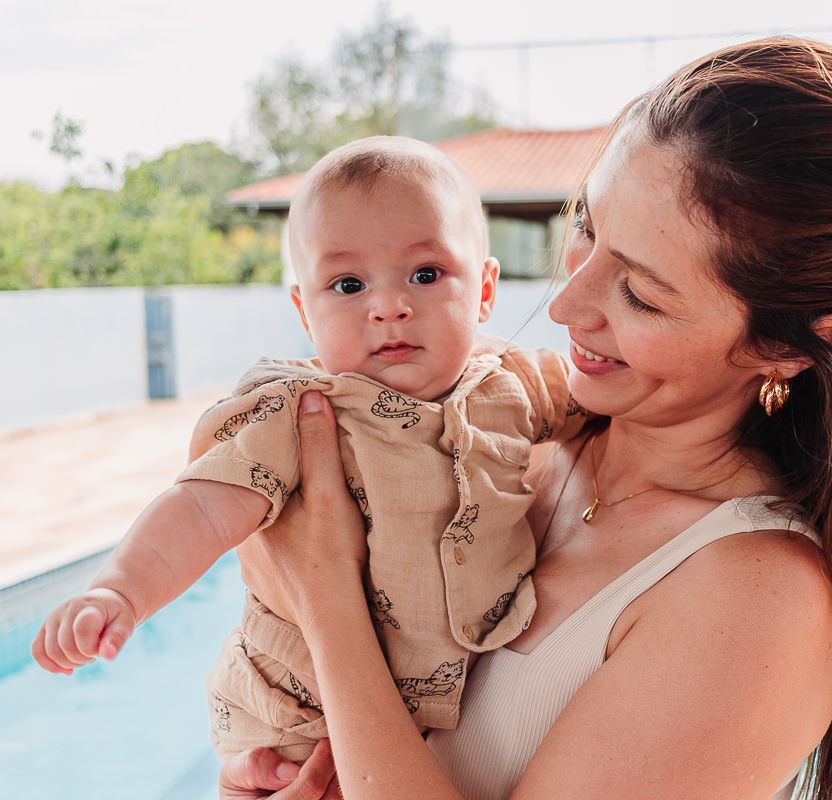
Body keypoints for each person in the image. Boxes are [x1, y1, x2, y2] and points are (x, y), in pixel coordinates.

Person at [220, 36, 832, 800]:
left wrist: (328, 604)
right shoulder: (508, 442)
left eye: (642, 295)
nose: (565, 305)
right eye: (586, 228)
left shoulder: (756, 604)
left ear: (784, 345)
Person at [31, 136, 584, 763]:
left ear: (485, 290)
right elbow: (204, 509)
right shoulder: (297, 413)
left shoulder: (517, 383)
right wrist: (120, 592)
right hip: (299, 712)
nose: (389, 307)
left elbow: (610, 404)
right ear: (304, 309)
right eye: (348, 284)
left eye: (425, 275)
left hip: (455, 711)